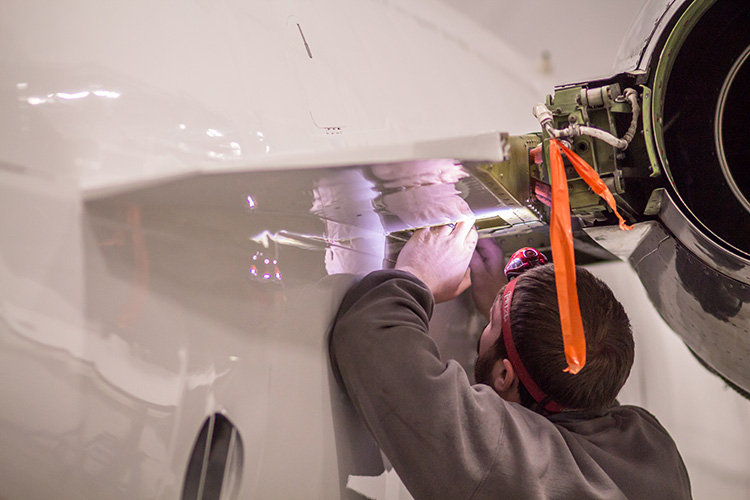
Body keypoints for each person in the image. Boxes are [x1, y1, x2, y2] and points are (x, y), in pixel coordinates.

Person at [329, 220, 692, 499]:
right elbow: (573, 372)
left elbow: (370, 333)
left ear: (504, 376)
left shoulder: (506, 467)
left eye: (490, 323)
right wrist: (511, 315)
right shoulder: (653, 445)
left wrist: (417, 274)